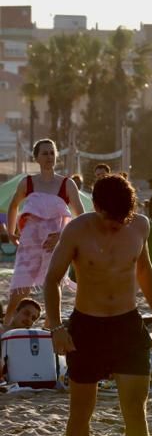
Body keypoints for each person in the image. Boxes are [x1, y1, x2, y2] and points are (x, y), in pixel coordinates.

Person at [44, 175, 152, 436]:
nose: (115, 227)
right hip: (87, 328)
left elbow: (145, 270)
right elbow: (52, 280)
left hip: (127, 326)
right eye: (109, 219)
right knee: (81, 412)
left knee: (135, 412)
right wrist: (56, 328)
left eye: (120, 220)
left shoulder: (139, 226)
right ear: (96, 207)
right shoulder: (77, 230)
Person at [3, 139, 86, 324]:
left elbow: (80, 216)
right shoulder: (28, 183)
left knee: (54, 285)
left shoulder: (67, 184)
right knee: (19, 288)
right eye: (45, 153)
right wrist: (11, 231)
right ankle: (6, 327)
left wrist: (62, 237)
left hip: (55, 243)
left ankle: (50, 329)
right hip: (29, 243)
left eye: (52, 153)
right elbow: (13, 205)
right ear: (37, 158)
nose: (49, 157)